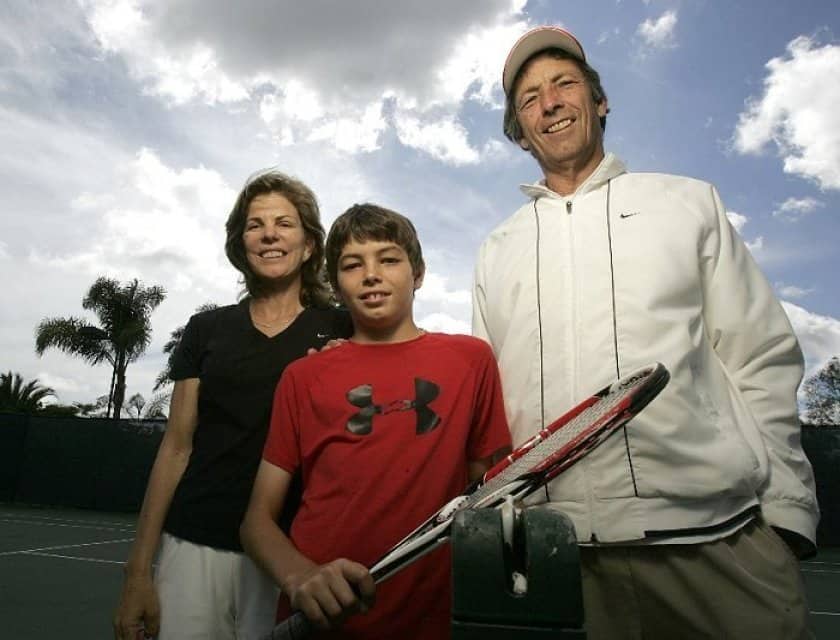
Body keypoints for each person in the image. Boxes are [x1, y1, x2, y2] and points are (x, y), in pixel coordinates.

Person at [472, 25, 820, 639]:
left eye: (564, 84)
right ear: (520, 132)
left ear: (598, 101)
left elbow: (759, 354)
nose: (549, 102)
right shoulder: (496, 250)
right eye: (529, 99)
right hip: (558, 560)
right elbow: (489, 410)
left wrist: (787, 513)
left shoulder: (689, 203)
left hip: (718, 544)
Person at [240, 203, 512, 639]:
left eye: (388, 259)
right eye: (352, 264)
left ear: (417, 273)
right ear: (335, 283)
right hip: (321, 618)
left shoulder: (470, 360)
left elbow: (485, 491)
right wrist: (300, 576)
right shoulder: (303, 376)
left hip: (435, 616)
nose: (371, 274)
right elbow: (256, 521)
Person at [113, 171, 353, 640]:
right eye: (254, 224)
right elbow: (176, 448)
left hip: (296, 553)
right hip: (196, 542)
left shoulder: (342, 329)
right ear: (240, 244)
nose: (268, 234)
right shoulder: (206, 329)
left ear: (308, 245)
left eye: (284, 223)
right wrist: (138, 571)